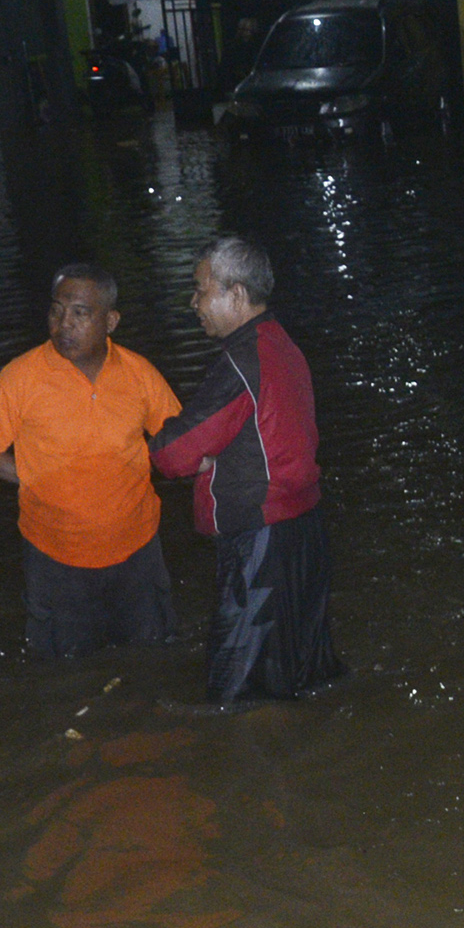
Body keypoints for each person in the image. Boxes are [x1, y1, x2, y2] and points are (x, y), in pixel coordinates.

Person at [152, 235, 345, 702]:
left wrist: (175, 443)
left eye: (201, 290)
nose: (193, 302)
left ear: (236, 294)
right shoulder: (281, 344)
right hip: (304, 528)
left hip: (262, 540)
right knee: (305, 672)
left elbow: (173, 454)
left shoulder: (240, 363)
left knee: (237, 690)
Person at [0, 264, 183, 657]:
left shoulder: (139, 374)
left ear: (111, 321)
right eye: (56, 310)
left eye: (80, 313)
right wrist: (39, 478)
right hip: (56, 556)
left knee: (153, 657)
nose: (63, 324)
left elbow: (178, 441)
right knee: (64, 671)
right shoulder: (21, 377)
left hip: (137, 549)